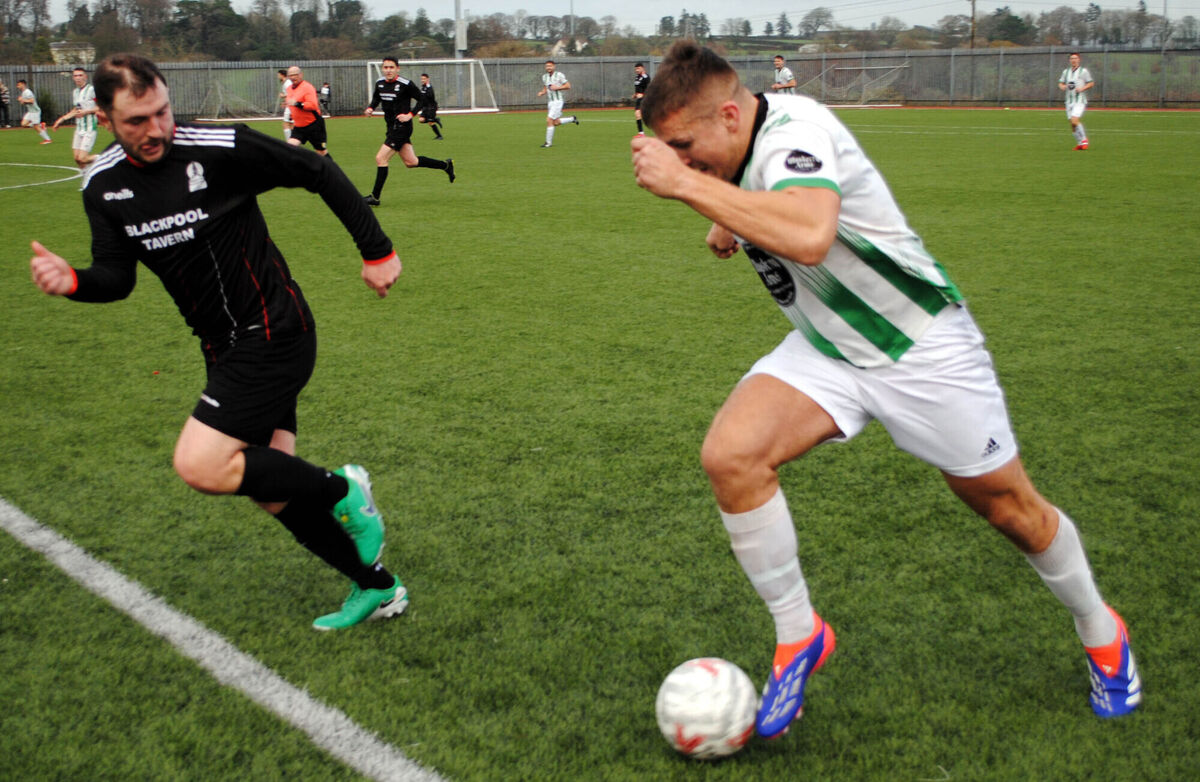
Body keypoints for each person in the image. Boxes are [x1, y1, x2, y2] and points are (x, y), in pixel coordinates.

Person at [631, 41, 1141, 736]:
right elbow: (765, 191)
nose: (684, 162)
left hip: (921, 348)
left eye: (687, 146)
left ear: (729, 113)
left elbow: (809, 233)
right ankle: (799, 635)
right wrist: (730, 210)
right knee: (732, 456)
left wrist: (693, 188)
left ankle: (1101, 630)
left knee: (1010, 509)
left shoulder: (794, 131)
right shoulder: (746, 144)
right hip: (830, 347)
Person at [28, 53, 409, 632]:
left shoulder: (217, 147)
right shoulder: (103, 186)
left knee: (201, 465)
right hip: (222, 348)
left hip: (275, 331)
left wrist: (377, 251)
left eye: (162, 112)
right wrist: (74, 282)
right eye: (136, 121)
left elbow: (318, 171)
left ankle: (345, 489)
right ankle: (378, 588)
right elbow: (116, 278)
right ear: (104, 117)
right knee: (271, 483)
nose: (155, 129)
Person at [362, 56, 454, 206]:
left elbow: (423, 100)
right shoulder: (379, 83)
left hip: (402, 128)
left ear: (398, 69)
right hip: (391, 127)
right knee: (411, 162)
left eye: (391, 67)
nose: (388, 70)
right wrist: (371, 108)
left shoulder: (405, 84)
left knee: (381, 158)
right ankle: (446, 165)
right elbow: (376, 98)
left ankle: (375, 197)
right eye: (386, 67)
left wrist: (410, 115)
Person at [51, 67, 100, 169]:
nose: (78, 78)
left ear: (85, 77)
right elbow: (76, 109)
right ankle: (86, 181)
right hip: (79, 128)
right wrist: (62, 119)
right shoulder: (75, 92)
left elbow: (101, 106)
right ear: (73, 78)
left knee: (82, 158)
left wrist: (86, 111)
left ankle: (104, 158)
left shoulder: (91, 90)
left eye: (80, 75)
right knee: (77, 158)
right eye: (75, 76)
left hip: (90, 128)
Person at [284, 66, 329, 156]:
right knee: (289, 148)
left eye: (295, 75)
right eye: (290, 75)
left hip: (313, 125)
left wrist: (297, 104)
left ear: (301, 75)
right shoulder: (289, 89)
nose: (293, 77)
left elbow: (312, 105)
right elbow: (291, 103)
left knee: (321, 152)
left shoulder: (307, 87)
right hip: (299, 127)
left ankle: (332, 169)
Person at [537, 60, 579, 148]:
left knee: (549, 120)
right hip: (550, 102)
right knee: (555, 122)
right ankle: (572, 119)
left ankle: (548, 143)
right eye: (547, 66)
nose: (548, 67)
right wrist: (542, 92)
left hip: (558, 101)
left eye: (550, 66)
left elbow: (568, 86)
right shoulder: (544, 77)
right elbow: (545, 87)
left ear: (554, 67)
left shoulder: (559, 75)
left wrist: (558, 87)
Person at [1058, 52, 1094, 150]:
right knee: (1072, 124)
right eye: (1071, 58)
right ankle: (1079, 143)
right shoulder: (1066, 72)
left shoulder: (1083, 71)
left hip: (1079, 101)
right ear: (1070, 60)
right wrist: (1063, 86)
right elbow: (1060, 83)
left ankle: (1084, 140)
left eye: (1075, 58)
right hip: (1069, 101)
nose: (1073, 60)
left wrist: (1082, 88)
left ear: (1079, 60)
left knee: (1075, 120)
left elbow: (1091, 83)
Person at [16, 79, 53, 144]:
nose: (17, 86)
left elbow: (32, 101)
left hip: (35, 111)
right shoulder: (23, 92)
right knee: (23, 124)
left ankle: (48, 140)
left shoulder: (28, 92)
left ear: (23, 84)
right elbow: (25, 102)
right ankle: (41, 125)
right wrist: (22, 101)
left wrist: (23, 100)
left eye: (19, 85)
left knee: (36, 127)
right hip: (30, 111)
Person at [417, 73, 444, 140]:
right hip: (425, 107)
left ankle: (439, 136)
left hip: (431, 107)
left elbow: (431, 96)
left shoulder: (429, 87)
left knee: (430, 122)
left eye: (424, 79)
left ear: (427, 79)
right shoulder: (423, 87)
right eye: (422, 79)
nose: (422, 80)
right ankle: (436, 119)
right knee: (421, 120)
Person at [633, 62, 650, 136]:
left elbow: (648, 85)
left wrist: (643, 95)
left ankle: (641, 133)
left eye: (638, 68)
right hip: (639, 99)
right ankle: (641, 133)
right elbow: (638, 87)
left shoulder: (645, 76)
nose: (637, 70)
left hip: (644, 98)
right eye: (636, 69)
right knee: (637, 114)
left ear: (642, 68)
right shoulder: (637, 77)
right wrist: (635, 94)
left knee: (638, 113)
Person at [276, 69, 293, 140]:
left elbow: (291, 94)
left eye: (278, 74)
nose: (277, 76)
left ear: (282, 75)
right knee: (291, 124)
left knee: (285, 124)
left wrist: (283, 96)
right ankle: (294, 141)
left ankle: (290, 143)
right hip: (290, 105)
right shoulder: (285, 82)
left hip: (291, 107)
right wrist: (285, 102)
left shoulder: (288, 83)